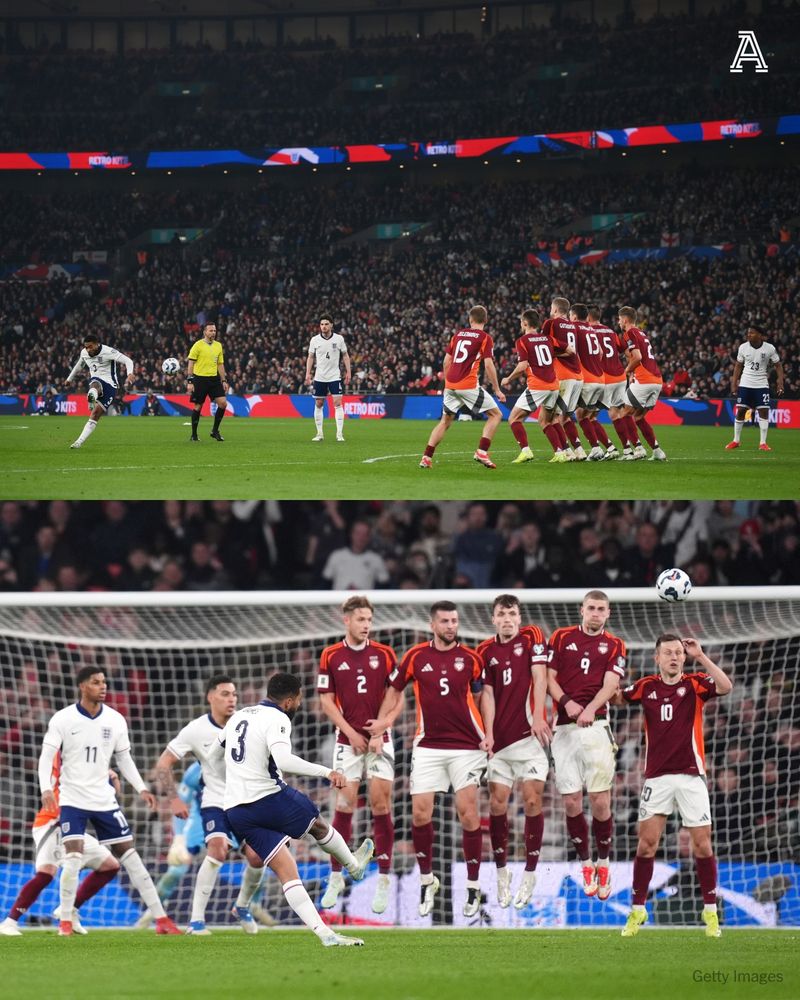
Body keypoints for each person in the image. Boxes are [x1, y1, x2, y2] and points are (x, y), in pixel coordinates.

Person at [211, 671, 373, 947]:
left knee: (288, 871)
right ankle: (354, 867)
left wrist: (230, 784)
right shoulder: (278, 718)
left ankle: (327, 935)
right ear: (289, 701)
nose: (298, 705)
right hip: (268, 797)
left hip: (236, 809)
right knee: (319, 826)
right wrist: (327, 772)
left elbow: (214, 755)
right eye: (298, 700)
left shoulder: (239, 715)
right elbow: (283, 760)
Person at [37, 667, 180, 936]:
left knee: (131, 856)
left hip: (104, 800)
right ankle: (65, 921)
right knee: (73, 856)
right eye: (95, 682)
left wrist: (140, 788)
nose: (102, 686)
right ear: (82, 686)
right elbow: (47, 757)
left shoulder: (115, 720)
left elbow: (124, 758)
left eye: (104, 682)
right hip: (72, 798)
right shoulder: (63, 719)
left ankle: (161, 919)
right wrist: (46, 788)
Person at [368, 600, 488, 918]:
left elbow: (481, 696)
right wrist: (381, 727)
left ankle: (473, 887)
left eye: (454, 621)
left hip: (467, 746)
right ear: (432, 625)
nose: (451, 626)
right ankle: (426, 881)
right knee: (420, 814)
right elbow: (394, 691)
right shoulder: (415, 657)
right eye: (445, 621)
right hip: (428, 745)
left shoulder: (471, 659)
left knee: (468, 814)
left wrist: (487, 733)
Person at [615, 634, 733, 937]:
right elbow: (617, 697)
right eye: (668, 652)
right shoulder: (646, 687)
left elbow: (726, 687)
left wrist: (701, 656)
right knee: (646, 844)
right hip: (656, 777)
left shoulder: (695, 683)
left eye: (679, 653)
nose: (674, 657)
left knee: (702, 845)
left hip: (692, 775)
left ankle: (710, 913)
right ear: (657, 658)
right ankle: (637, 910)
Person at [154, 674, 262, 935]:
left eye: (234, 694)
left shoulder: (248, 724)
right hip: (214, 801)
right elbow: (163, 763)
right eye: (225, 694)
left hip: (245, 801)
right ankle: (196, 921)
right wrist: (174, 798)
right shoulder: (196, 729)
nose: (232, 699)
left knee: (258, 858)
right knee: (217, 849)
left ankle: (242, 906)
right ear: (210, 697)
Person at [317, 596, 401, 915]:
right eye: (361, 619)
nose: (366, 625)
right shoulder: (330, 655)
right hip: (345, 740)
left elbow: (398, 698)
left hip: (381, 740)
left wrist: (380, 730)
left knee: (381, 805)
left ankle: (384, 879)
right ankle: (336, 877)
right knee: (344, 804)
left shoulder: (385, 653)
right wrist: (351, 733)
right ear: (347, 621)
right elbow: (326, 701)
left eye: (369, 619)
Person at [547, 590, 627, 901]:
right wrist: (566, 703)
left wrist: (591, 708)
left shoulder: (615, 644)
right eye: (591, 608)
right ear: (582, 610)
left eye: (601, 609)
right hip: (564, 728)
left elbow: (611, 685)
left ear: (608, 614)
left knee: (600, 801)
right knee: (570, 803)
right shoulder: (561, 637)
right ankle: (585, 863)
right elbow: (549, 678)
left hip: (597, 726)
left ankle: (604, 863)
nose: (595, 613)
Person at [476, 595, 551, 909]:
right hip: (501, 745)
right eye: (501, 614)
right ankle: (502, 873)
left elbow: (539, 676)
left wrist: (538, 715)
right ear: (493, 619)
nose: (507, 619)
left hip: (530, 739)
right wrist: (489, 734)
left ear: (519, 617)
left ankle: (530, 874)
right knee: (497, 805)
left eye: (512, 614)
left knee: (533, 800)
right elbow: (488, 694)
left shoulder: (532, 636)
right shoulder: (484, 651)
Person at [0, 758, 121, 936]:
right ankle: (10, 922)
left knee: (110, 866)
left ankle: (70, 910)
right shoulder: (64, 752)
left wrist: (112, 779)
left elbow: (110, 798)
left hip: (72, 826)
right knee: (46, 874)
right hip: (52, 822)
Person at [419, 304, 506, 470]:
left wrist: (448, 382)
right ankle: (482, 451)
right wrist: (497, 389)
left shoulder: (457, 335)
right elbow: (488, 365)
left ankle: (426, 457)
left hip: (450, 384)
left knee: (445, 422)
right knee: (496, 415)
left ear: (470, 319)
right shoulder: (485, 337)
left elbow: (446, 361)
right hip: (468, 384)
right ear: (486, 320)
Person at [134, 761, 205, 930]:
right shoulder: (195, 771)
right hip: (201, 826)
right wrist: (179, 838)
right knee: (176, 869)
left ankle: (250, 905)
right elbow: (178, 805)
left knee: (256, 856)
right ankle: (151, 914)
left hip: (235, 821)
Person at [501, 309, 569, 464]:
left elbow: (522, 366)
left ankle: (526, 451)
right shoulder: (547, 339)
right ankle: (560, 453)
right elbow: (570, 351)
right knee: (546, 421)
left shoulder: (522, 341)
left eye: (521, 322)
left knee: (514, 418)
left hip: (538, 386)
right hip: (553, 386)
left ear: (525, 323)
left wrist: (508, 379)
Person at [64, 333, 134, 449]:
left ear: (97, 345)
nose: (88, 349)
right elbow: (79, 365)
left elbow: (128, 360)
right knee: (95, 384)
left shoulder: (108, 351)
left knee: (96, 414)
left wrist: (130, 373)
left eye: (90, 346)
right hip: (96, 381)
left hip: (111, 386)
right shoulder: (84, 353)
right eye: (86, 347)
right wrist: (69, 379)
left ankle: (92, 397)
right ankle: (78, 442)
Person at [726, 325, 785, 452]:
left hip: (761, 383)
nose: (749, 335)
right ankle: (736, 440)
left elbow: (778, 365)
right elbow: (738, 366)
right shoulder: (743, 347)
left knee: (763, 411)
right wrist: (733, 383)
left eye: (752, 333)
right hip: (746, 382)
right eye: (748, 333)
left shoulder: (769, 348)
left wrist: (780, 382)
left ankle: (763, 443)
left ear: (760, 335)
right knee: (741, 410)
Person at [618, 306, 666, 461]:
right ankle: (657, 451)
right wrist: (632, 372)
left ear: (625, 320)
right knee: (638, 417)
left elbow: (637, 357)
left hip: (645, 380)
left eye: (619, 319)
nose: (619, 322)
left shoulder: (629, 333)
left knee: (624, 413)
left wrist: (626, 371)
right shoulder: (641, 333)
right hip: (657, 380)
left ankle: (638, 449)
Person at [542, 296, 586, 460]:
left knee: (548, 418)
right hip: (578, 376)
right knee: (565, 417)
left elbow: (542, 345)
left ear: (554, 309)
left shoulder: (550, 323)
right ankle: (579, 450)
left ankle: (564, 452)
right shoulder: (573, 326)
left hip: (563, 375)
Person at [590, 304, 634, 459]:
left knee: (587, 416)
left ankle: (609, 448)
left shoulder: (589, 332)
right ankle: (628, 449)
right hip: (620, 377)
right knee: (616, 413)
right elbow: (627, 352)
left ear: (588, 317)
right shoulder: (610, 331)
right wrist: (630, 370)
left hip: (605, 379)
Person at [571, 303, 611, 461]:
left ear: (574, 316)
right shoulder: (590, 329)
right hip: (600, 378)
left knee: (572, 416)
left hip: (586, 379)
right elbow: (600, 352)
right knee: (586, 416)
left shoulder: (574, 327)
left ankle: (591, 449)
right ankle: (604, 447)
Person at [305, 315, 350, 442]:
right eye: (321, 324)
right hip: (320, 376)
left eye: (326, 324)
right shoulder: (314, 340)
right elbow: (310, 357)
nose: (323, 326)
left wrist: (349, 372)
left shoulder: (339, 339)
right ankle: (319, 434)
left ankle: (339, 434)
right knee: (319, 403)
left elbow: (345, 356)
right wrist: (308, 373)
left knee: (337, 403)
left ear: (331, 325)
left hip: (335, 376)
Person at [187, 321, 229, 443]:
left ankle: (215, 431)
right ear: (205, 332)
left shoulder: (218, 346)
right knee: (198, 406)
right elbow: (191, 363)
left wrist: (224, 380)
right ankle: (194, 435)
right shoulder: (197, 345)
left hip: (214, 379)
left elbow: (220, 364)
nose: (213, 333)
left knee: (223, 403)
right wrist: (190, 381)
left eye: (215, 330)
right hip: (200, 379)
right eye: (211, 330)